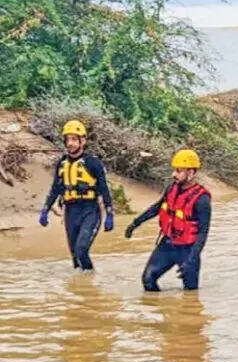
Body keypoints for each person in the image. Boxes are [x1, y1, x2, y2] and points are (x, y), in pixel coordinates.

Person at [124, 149, 212, 292]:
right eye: (174, 170)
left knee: (191, 295)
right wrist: (135, 223)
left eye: (178, 171)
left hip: (188, 251)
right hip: (168, 245)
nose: (173, 175)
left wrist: (192, 260)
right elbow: (157, 208)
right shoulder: (171, 188)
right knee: (148, 279)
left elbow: (203, 233)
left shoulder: (202, 200)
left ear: (191, 173)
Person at [39, 119, 114, 271]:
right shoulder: (62, 163)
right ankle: (82, 287)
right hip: (71, 212)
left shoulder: (93, 163)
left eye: (74, 139)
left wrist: (110, 214)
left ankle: (89, 282)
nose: (70, 143)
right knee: (75, 258)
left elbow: (104, 189)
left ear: (83, 141)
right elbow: (56, 188)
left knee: (81, 251)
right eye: (67, 139)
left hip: (90, 211)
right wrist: (45, 210)